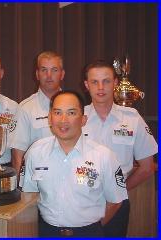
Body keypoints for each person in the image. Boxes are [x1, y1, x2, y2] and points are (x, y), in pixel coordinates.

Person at [22, 90, 128, 237]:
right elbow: (28, 196)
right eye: (57, 113)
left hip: (89, 233)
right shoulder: (35, 152)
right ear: (50, 118)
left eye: (71, 113)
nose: (63, 120)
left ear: (83, 119)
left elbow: (115, 202)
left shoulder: (104, 156)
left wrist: (91, 229)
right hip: (47, 232)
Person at [82, 60, 158, 237]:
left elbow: (147, 167)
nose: (101, 87)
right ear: (86, 85)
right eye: (94, 82)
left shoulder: (132, 118)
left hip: (118, 204)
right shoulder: (77, 117)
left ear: (115, 83)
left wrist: (119, 190)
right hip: (81, 200)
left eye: (106, 81)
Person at [9, 51, 65, 178]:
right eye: (44, 70)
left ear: (62, 74)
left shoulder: (74, 106)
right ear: (37, 74)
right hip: (37, 184)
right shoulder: (25, 108)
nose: (49, 75)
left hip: (70, 182)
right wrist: (22, 190)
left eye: (54, 70)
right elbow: (18, 155)